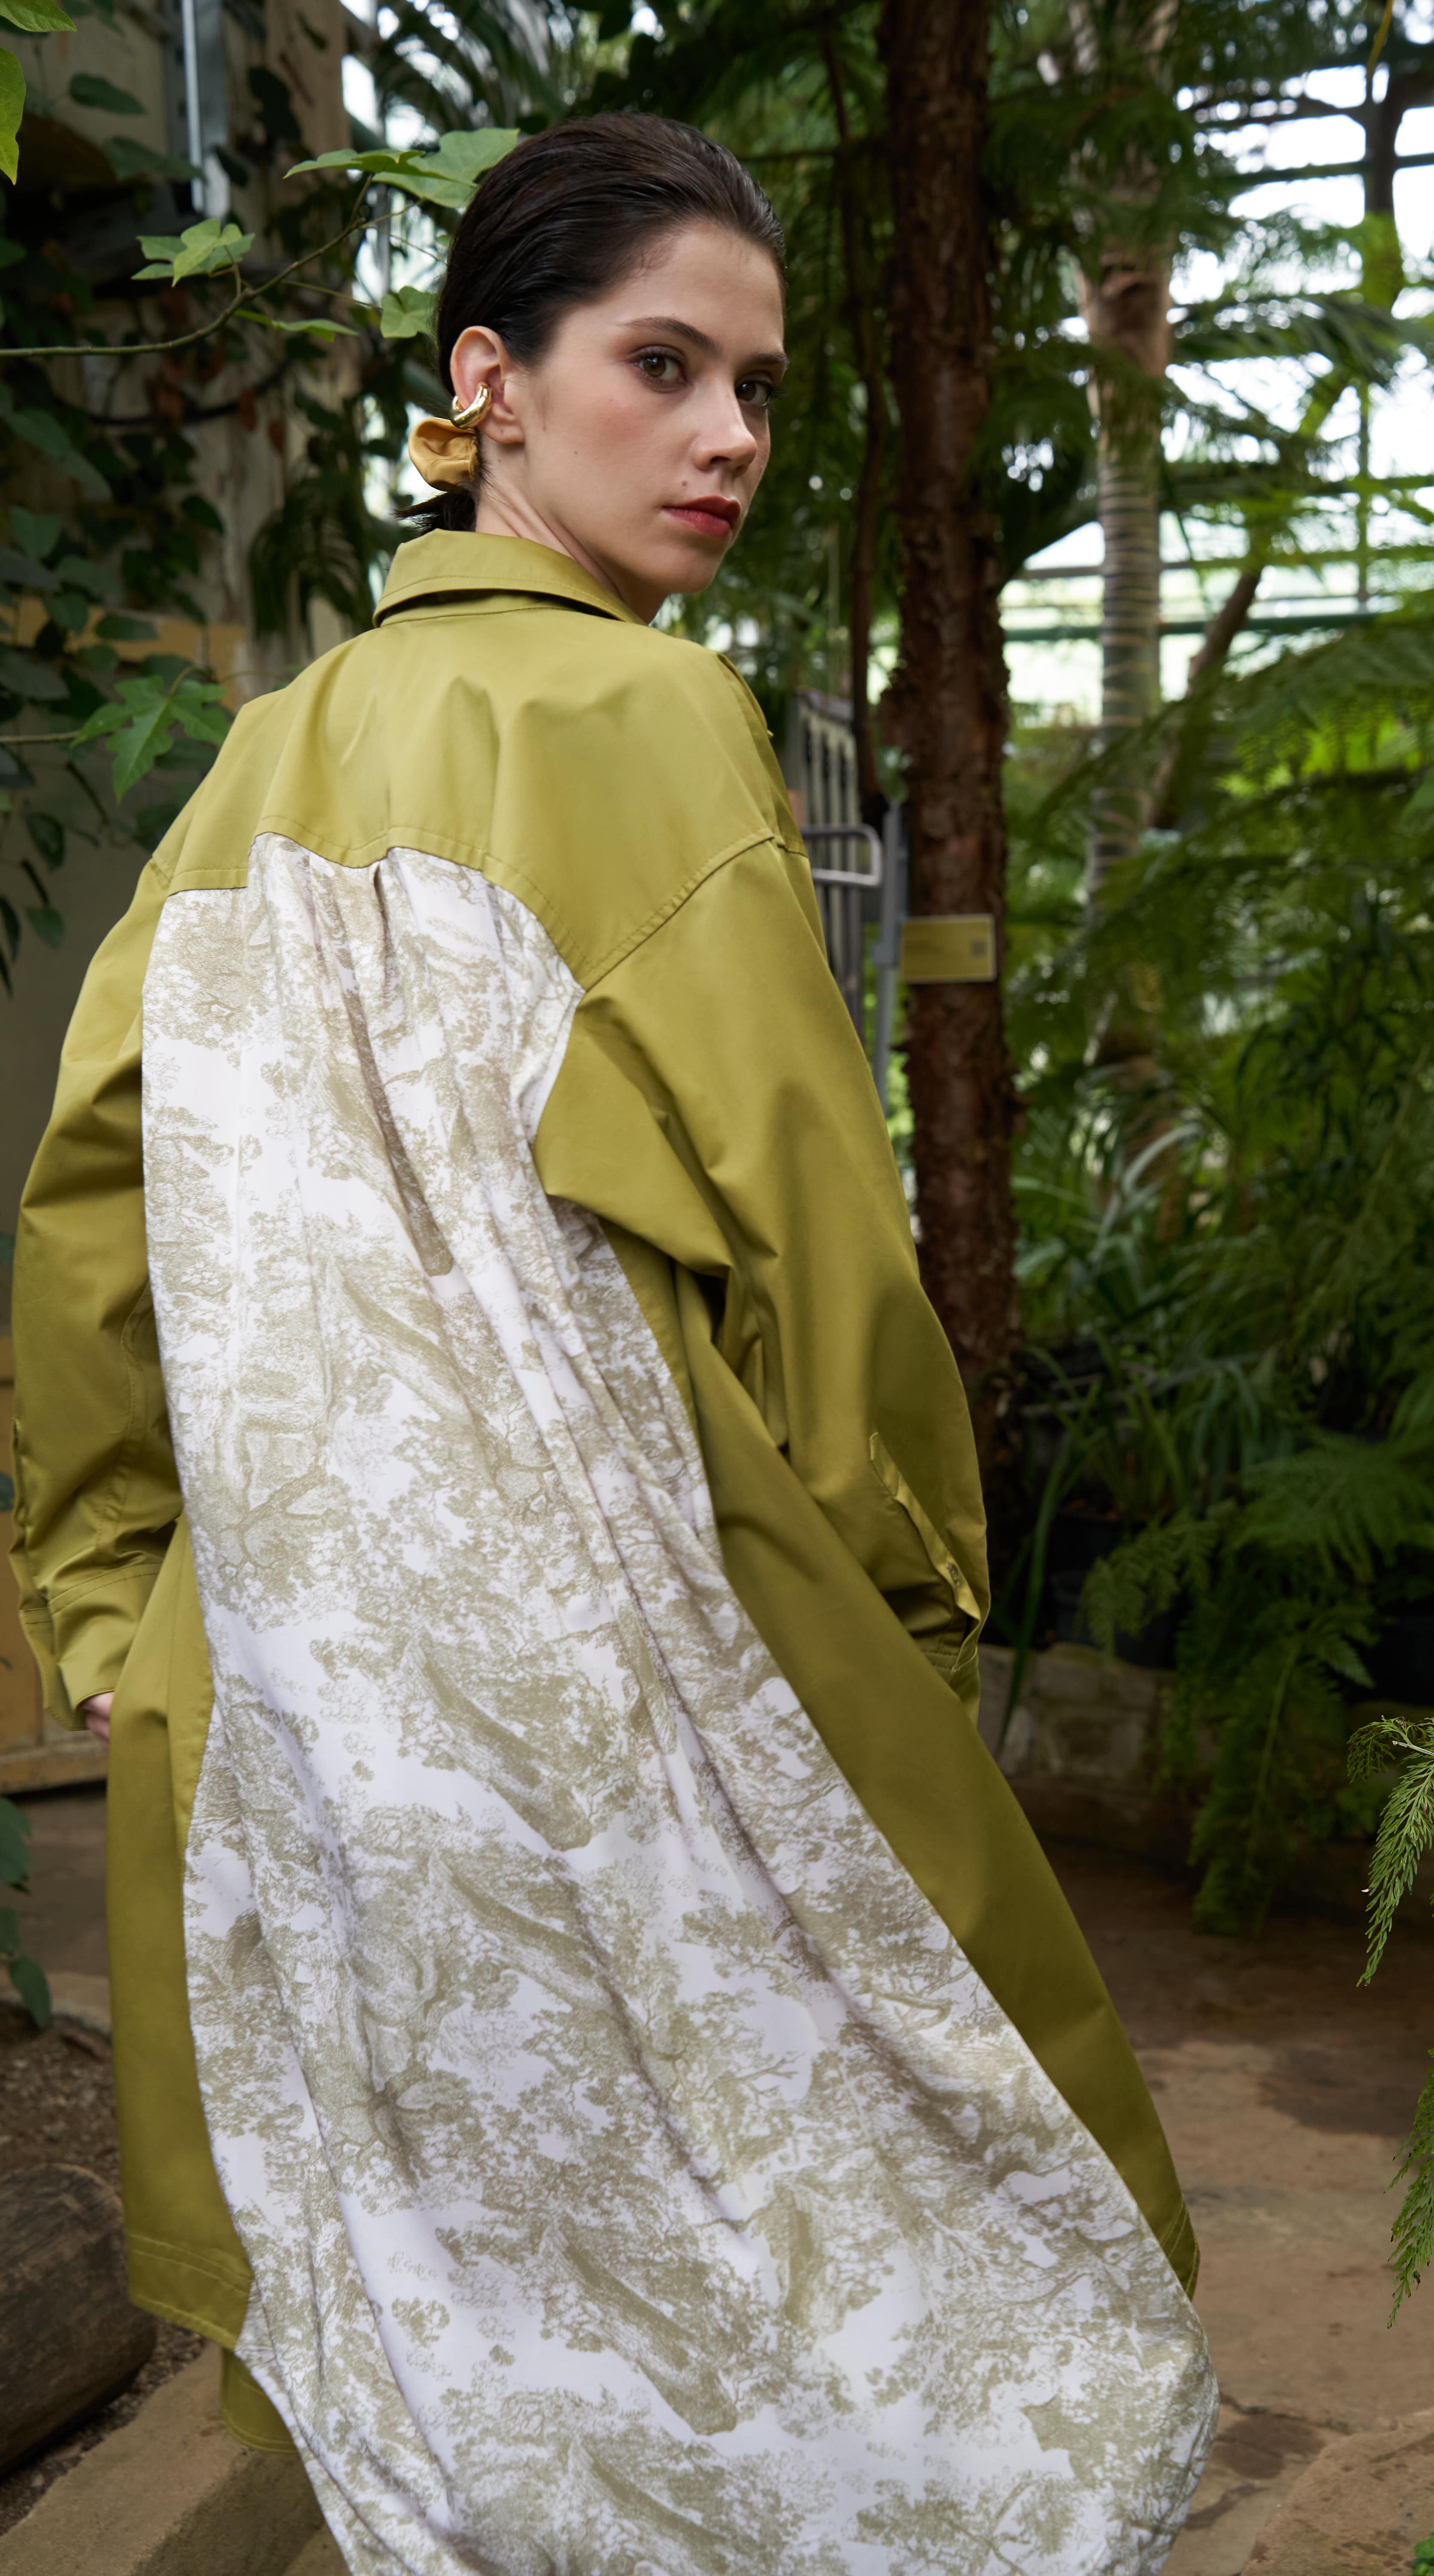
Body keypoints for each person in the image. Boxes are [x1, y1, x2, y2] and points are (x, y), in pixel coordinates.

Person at [10, 113, 1214, 2576]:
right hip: (642, 1676)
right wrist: (907, 1628)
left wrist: (115, 1606)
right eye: (664, 367)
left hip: (307, 1715)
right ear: (491, 380)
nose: (729, 438)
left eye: (756, 389)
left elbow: (90, 1217)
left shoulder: (251, 763)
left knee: (460, 2328)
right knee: (875, 2288)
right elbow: (811, 1236)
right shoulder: (652, 723)